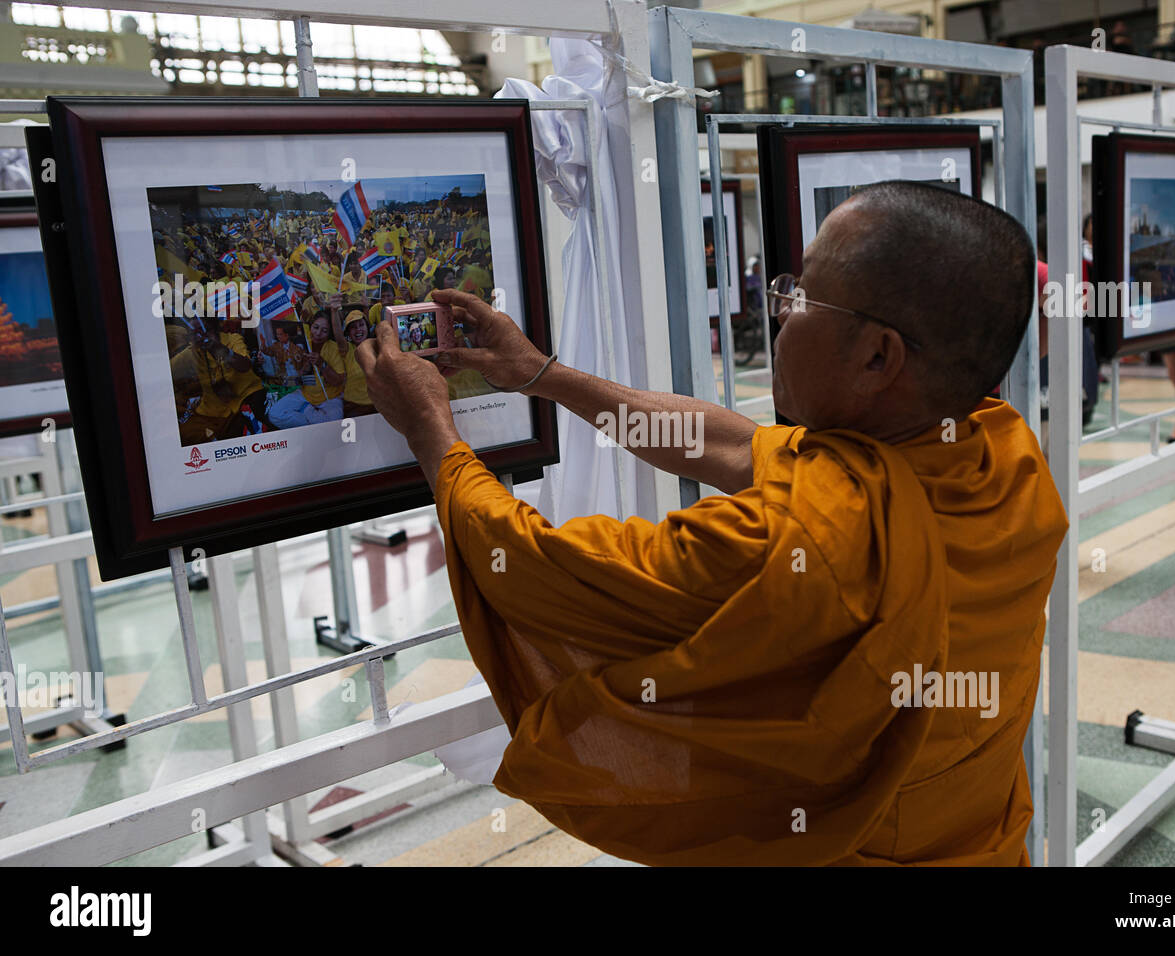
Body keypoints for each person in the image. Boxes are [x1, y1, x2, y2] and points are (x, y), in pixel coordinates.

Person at [356, 181, 1068, 866]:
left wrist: (432, 431)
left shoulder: (786, 540)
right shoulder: (1002, 454)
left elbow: (538, 564)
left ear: (880, 355)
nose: (782, 311)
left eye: (801, 295)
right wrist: (542, 373)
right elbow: (727, 443)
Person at [170, 314, 271, 444]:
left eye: (204, 330)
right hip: (213, 411)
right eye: (194, 334)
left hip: (246, 398)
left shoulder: (232, 339)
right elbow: (165, 372)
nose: (200, 337)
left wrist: (220, 349)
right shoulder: (192, 352)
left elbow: (245, 365)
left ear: (214, 329)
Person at [266, 310, 346, 428]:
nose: (318, 333)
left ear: (329, 333)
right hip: (305, 395)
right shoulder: (302, 345)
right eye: (316, 327)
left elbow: (338, 381)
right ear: (310, 326)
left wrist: (322, 364)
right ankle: (314, 417)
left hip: (329, 398)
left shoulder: (333, 348)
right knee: (275, 414)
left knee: (335, 422)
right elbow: (292, 377)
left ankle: (311, 417)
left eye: (324, 331)